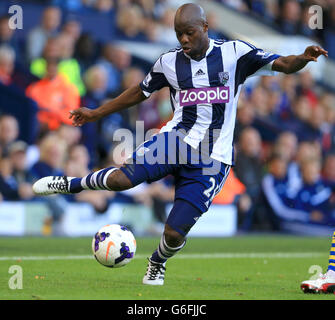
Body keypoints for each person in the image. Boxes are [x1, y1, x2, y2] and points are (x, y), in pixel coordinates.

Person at [32, 3, 328, 286]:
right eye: (179, 34)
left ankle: (157, 261)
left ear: (205, 27)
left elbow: (284, 64)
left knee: (174, 233)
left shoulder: (235, 53)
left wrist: (302, 58)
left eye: (190, 32)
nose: (184, 39)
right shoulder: (169, 62)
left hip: (213, 157)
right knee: (123, 178)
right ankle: (72, 184)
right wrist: (96, 112)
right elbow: (139, 92)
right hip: (176, 139)